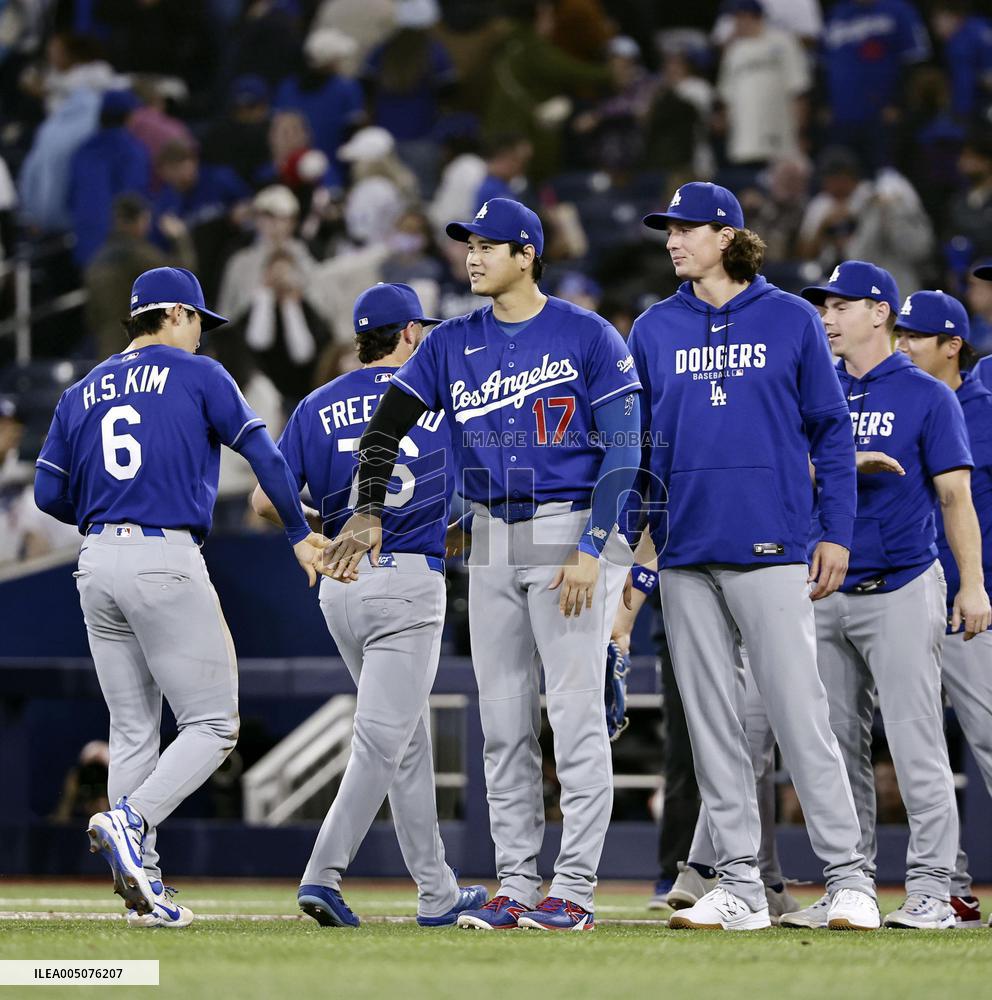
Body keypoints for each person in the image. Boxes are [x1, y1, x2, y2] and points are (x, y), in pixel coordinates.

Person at [326, 197, 641, 930]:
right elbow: (385, 427)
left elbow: (626, 451)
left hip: (571, 530)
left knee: (574, 718)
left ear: (527, 253)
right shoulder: (450, 342)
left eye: (488, 245)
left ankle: (576, 890)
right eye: (468, 244)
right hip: (495, 535)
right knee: (502, 725)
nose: (471, 255)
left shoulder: (586, 333)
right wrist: (368, 508)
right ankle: (517, 885)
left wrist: (595, 548)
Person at [32, 266, 331, 929]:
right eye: (199, 320)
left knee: (132, 728)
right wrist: (297, 536)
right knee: (215, 723)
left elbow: (47, 494)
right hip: (163, 558)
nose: (202, 334)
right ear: (175, 315)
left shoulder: (82, 389)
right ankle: (130, 823)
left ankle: (144, 888)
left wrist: (108, 506)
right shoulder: (197, 375)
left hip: (97, 561)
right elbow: (268, 458)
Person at [626, 182, 878, 932]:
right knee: (710, 727)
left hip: (771, 545)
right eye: (668, 229)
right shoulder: (652, 327)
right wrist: (637, 559)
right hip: (684, 552)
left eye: (687, 229)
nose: (673, 241)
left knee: (802, 716)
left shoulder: (793, 319)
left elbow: (832, 433)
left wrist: (836, 532)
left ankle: (850, 878)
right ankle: (736, 883)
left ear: (728, 236)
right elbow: (639, 452)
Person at [250, 282, 487, 927]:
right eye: (423, 330)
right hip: (409, 579)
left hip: (341, 588)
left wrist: (319, 534)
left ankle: (436, 892)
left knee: (406, 740)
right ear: (409, 334)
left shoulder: (317, 403)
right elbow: (481, 502)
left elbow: (263, 502)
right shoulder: (436, 403)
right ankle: (322, 876)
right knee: (383, 742)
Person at [786, 261, 990, 929]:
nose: (828, 316)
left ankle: (933, 889)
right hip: (826, 589)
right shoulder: (819, 394)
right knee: (834, 748)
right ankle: (853, 888)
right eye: (825, 304)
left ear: (881, 313)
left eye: (842, 304)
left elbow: (956, 497)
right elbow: (788, 472)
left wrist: (974, 585)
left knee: (916, 742)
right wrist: (838, 463)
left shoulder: (927, 394)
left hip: (902, 584)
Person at [893, 289, 992, 929]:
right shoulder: (893, 402)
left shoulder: (983, 405)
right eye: (898, 333)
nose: (901, 345)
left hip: (973, 603)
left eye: (916, 337)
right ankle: (948, 885)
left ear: (952, 344)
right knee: (920, 749)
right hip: (909, 597)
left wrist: (979, 586)